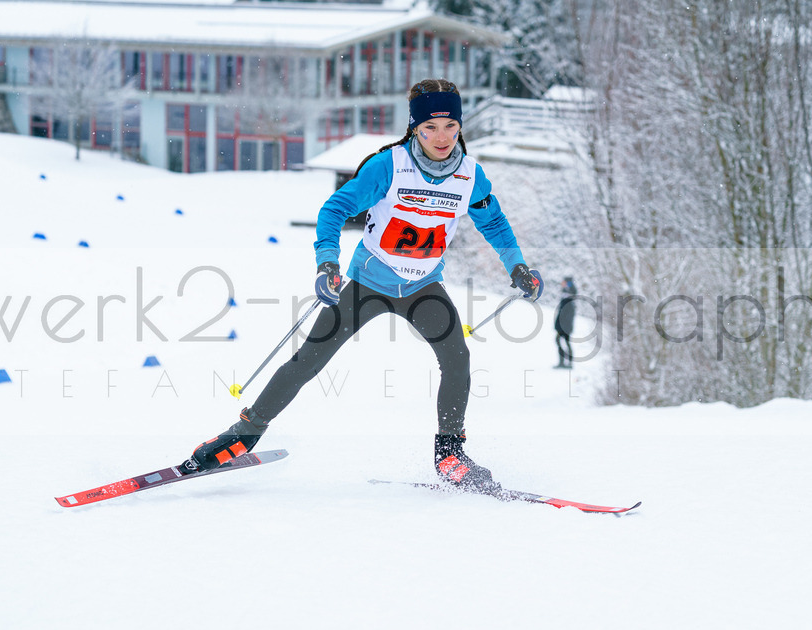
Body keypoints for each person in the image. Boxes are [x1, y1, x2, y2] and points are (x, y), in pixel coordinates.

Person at [179, 78, 543, 493]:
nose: (441, 137)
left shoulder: (470, 176)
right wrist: (326, 263)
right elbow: (334, 209)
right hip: (368, 282)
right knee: (308, 361)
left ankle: (449, 456)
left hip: (424, 286)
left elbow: (492, 221)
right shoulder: (388, 166)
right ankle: (241, 436)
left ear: (460, 127)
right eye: (430, 128)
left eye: (450, 127)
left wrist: (517, 266)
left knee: (457, 360)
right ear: (414, 129)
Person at [554, 276, 577, 368]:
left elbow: (568, 314)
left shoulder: (570, 295)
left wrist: (563, 325)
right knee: (561, 341)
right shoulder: (565, 294)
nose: (562, 283)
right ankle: (563, 362)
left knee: (564, 342)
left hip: (565, 326)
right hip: (562, 325)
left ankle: (567, 363)